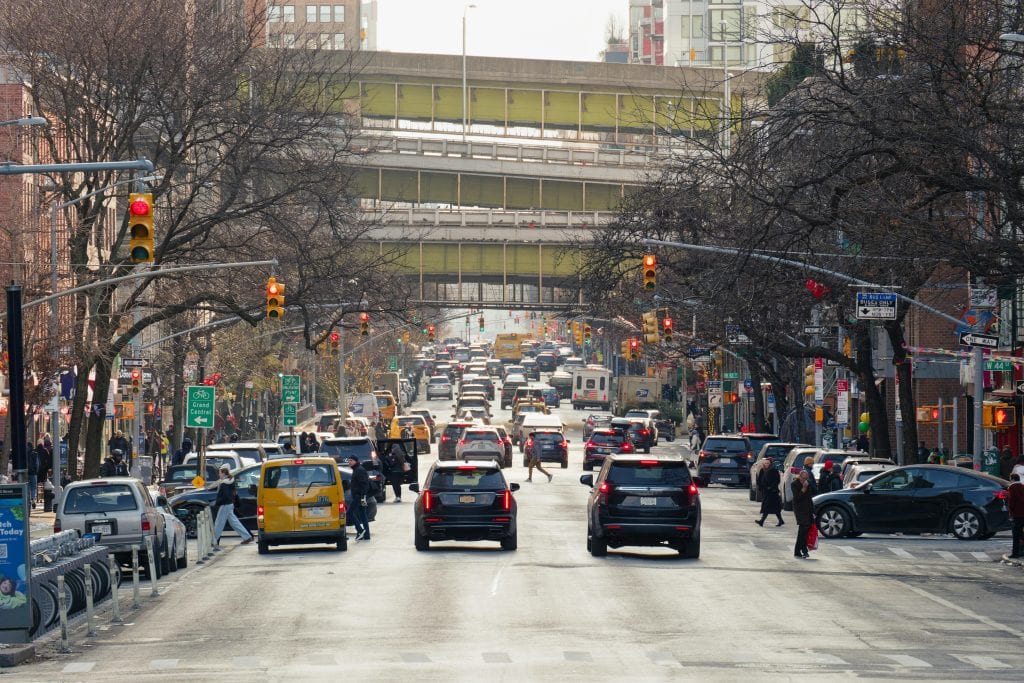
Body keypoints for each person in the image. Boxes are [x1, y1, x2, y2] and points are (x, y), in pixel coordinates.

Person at [211, 465, 254, 549]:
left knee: (218, 523)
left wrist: (217, 502)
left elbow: (224, 496)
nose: (219, 474)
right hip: (230, 504)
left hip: (225, 505)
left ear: (223, 473)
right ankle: (247, 537)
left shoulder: (224, 483)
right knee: (234, 522)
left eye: (220, 473)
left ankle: (214, 541)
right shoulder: (231, 481)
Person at [347, 455, 371, 540]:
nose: (349, 462)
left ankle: (360, 530)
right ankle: (366, 534)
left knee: (349, 512)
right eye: (349, 461)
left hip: (359, 496)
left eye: (351, 461)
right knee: (362, 514)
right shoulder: (356, 469)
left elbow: (364, 484)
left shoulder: (359, 470)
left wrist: (362, 497)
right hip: (360, 496)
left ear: (356, 461)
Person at [791, 469, 815, 559]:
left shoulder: (808, 484)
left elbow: (809, 498)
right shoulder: (794, 484)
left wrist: (813, 511)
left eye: (806, 478)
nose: (804, 480)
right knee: (803, 528)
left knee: (804, 530)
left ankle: (798, 550)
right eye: (803, 478)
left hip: (808, 508)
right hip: (799, 509)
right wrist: (803, 488)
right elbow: (797, 498)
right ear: (799, 477)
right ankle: (803, 549)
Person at [755, 459, 784, 527]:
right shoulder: (762, 470)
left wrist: (771, 487)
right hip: (765, 491)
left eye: (768, 463)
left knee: (767, 506)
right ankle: (781, 520)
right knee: (773, 508)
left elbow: (777, 480)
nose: (766, 464)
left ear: (770, 464)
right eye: (765, 463)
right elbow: (759, 479)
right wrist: (760, 487)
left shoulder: (774, 471)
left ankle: (762, 521)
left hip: (772, 492)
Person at [1008, 473, 1024, 559]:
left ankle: (1015, 553)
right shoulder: (1022, 486)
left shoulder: (1012, 487)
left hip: (1017, 514)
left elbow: (1012, 501)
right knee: (1021, 534)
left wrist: (1010, 513)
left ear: (1012, 479)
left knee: (1016, 535)